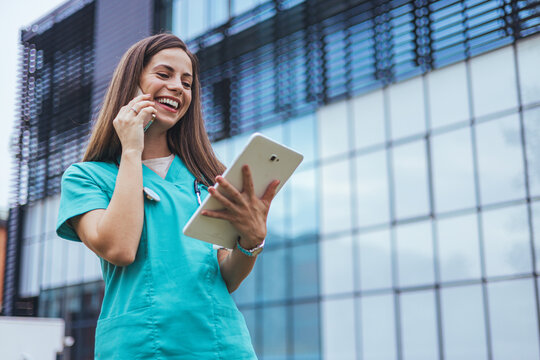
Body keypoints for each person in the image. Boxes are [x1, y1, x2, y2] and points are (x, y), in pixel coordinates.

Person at [56, 33, 279, 359]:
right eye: (164, 75)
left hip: (221, 346)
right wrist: (132, 148)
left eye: (187, 83)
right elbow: (119, 248)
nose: (178, 87)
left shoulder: (207, 179)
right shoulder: (88, 178)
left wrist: (252, 242)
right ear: (131, 85)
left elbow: (223, 277)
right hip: (141, 347)